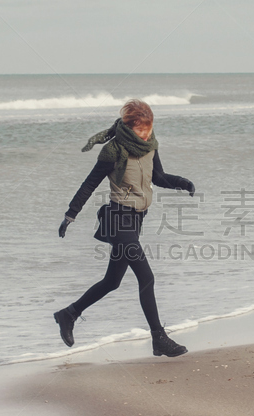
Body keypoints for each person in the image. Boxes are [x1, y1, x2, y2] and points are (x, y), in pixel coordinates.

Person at [54, 99, 195, 357]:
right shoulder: (113, 151)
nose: (147, 134)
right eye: (142, 130)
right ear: (130, 127)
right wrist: (70, 215)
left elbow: (158, 177)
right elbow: (90, 184)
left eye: (150, 129)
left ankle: (68, 314)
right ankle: (158, 338)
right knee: (147, 278)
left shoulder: (150, 146)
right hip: (118, 220)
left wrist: (181, 182)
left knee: (112, 281)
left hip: (136, 220)